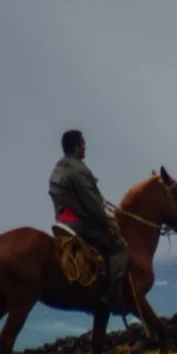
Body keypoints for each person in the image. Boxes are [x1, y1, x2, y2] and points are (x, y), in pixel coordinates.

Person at [48, 129, 129, 308]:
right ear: (77, 148)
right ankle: (113, 296)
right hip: (79, 224)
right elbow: (92, 203)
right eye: (83, 144)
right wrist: (110, 223)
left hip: (61, 222)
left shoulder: (59, 167)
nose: (86, 147)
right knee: (120, 246)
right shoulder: (79, 171)